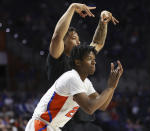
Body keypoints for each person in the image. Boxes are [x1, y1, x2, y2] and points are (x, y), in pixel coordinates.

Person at [46, 2, 119, 131]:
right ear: (63, 42)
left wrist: (103, 23)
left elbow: (97, 43)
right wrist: (72, 7)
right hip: (65, 125)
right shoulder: (58, 60)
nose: (79, 42)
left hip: (86, 123)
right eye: (74, 38)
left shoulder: (80, 62)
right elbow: (57, 37)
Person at [25, 45, 123, 131]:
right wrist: (109, 88)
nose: (93, 62)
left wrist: (113, 87)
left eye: (94, 59)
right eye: (89, 58)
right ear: (78, 62)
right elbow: (90, 108)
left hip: (53, 127)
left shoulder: (86, 83)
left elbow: (103, 105)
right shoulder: (72, 77)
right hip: (41, 124)